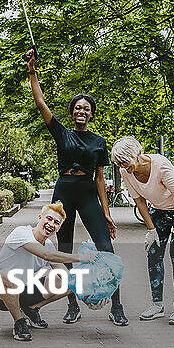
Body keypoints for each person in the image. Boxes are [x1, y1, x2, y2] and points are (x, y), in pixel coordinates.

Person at [25, 50, 128, 327]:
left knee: (106, 248)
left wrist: (107, 213)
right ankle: (72, 305)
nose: (82, 111)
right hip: (64, 193)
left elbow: (99, 179)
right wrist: (32, 71)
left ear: (91, 114)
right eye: (77, 108)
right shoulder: (62, 133)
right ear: (72, 112)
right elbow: (40, 101)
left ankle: (117, 306)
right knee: (65, 247)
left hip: (87, 192)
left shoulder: (99, 142)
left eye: (86, 108)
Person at [111, 136, 174, 325]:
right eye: (118, 163)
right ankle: (157, 305)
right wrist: (151, 229)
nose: (122, 166)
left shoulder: (160, 165)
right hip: (160, 208)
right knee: (154, 253)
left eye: (125, 161)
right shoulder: (125, 171)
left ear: (137, 154)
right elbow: (139, 201)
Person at [0, 201, 102, 341]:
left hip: (25, 292)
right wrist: (80, 257)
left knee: (68, 280)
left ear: (58, 228)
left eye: (56, 223)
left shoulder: (49, 245)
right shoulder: (21, 232)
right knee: (4, 275)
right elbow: (45, 255)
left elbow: (67, 277)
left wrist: (88, 298)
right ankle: (19, 322)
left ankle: (32, 309)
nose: (51, 224)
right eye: (49, 218)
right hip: (1, 294)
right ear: (40, 217)